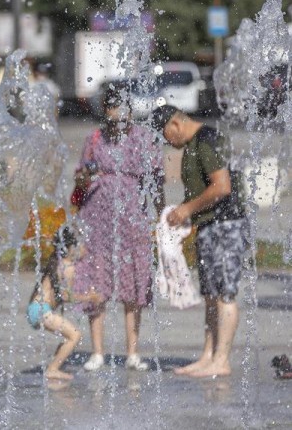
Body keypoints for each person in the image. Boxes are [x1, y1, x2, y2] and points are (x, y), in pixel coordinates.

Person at [150, 104, 250, 378]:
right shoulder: (193, 144)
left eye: (165, 136)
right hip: (208, 226)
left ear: (175, 124)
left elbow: (222, 186)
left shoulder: (207, 140)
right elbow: (200, 190)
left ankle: (222, 359)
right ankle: (208, 356)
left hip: (226, 225)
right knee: (210, 295)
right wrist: (179, 213)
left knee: (225, 293)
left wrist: (187, 209)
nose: (167, 143)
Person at [73, 83, 164, 372]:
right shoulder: (95, 138)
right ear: (106, 109)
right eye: (113, 106)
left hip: (131, 219)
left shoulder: (143, 138)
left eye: (123, 106)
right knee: (95, 283)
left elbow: (157, 179)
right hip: (97, 218)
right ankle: (98, 351)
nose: (118, 112)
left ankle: (132, 353)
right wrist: (84, 178)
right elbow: (80, 178)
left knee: (133, 284)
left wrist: (161, 215)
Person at [27, 226, 103, 381]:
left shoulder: (58, 263)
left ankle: (55, 366)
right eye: (80, 245)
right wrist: (90, 297)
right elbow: (66, 296)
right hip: (42, 310)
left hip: (36, 309)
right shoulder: (68, 267)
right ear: (70, 248)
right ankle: (53, 369)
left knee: (68, 335)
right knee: (74, 335)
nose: (84, 249)